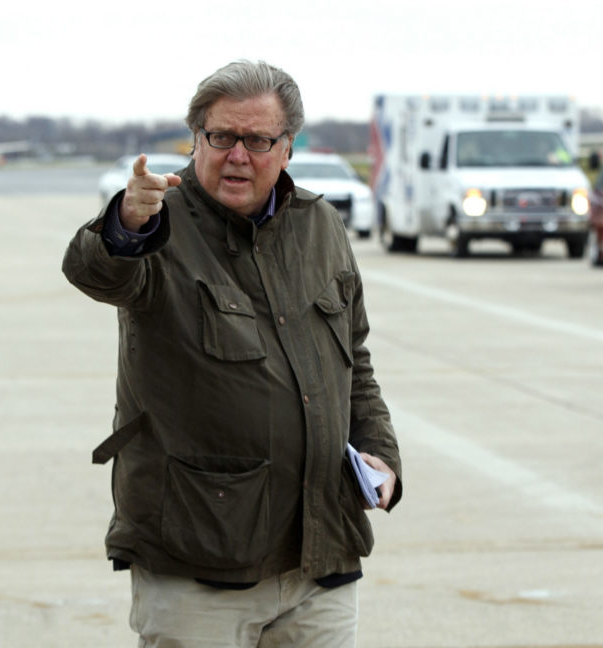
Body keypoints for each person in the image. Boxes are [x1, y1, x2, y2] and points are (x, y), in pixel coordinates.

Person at [62, 59, 403, 647]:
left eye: (257, 140)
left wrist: (380, 454)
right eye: (221, 137)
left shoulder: (320, 225)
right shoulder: (158, 222)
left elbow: (356, 360)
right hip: (199, 557)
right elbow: (96, 271)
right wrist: (123, 222)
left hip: (321, 550)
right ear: (196, 138)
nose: (237, 154)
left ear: (287, 148)